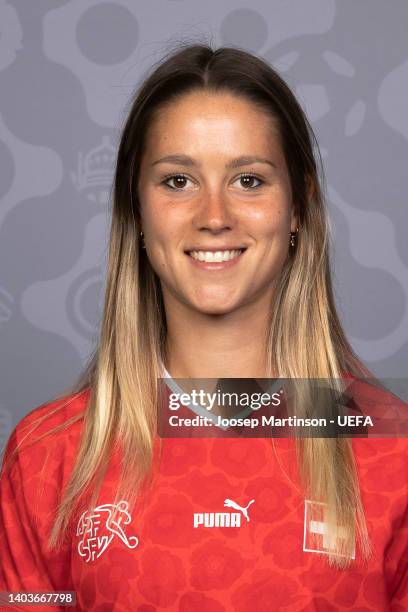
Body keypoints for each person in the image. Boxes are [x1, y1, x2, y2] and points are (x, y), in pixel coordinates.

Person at [0, 43, 407, 611]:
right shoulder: (49, 457)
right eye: (177, 182)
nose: (214, 217)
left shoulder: (395, 453)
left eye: (248, 180)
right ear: (134, 211)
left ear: (299, 209)